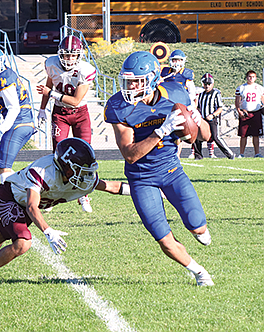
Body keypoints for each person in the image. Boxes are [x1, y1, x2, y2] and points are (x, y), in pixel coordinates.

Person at [104, 51, 214, 286]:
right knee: (163, 239)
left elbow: (205, 136)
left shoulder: (175, 92)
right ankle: (199, 272)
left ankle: (198, 230)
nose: (130, 86)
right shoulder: (118, 106)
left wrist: (197, 119)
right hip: (141, 178)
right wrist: (160, 132)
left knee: (199, 227)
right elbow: (130, 155)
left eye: (136, 81)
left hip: (171, 171)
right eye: (127, 80)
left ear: (153, 79)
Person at [0, 138, 131, 286]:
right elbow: (31, 207)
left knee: (2, 233)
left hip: (26, 203)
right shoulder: (43, 171)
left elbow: (112, 187)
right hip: (10, 197)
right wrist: (48, 231)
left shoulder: (80, 178)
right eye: (81, 168)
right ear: (65, 167)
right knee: (23, 242)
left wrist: (146, 191)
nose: (86, 173)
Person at [36, 35, 96, 213]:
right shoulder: (51, 63)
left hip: (80, 114)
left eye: (73, 55)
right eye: (66, 55)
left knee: (87, 156)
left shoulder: (86, 70)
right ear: (60, 54)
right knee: (58, 155)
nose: (69, 59)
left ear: (79, 55)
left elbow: (76, 100)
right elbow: (48, 86)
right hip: (60, 114)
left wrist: (51, 94)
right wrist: (42, 109)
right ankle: (51, 196)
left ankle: (83, 195)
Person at [0, 46, 35, 183]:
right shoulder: (4, 75)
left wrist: (1, 130)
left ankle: (16, 198)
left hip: (19, 123)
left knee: (4, 167)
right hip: (22, 122)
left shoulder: (3, 79)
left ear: (1, 61)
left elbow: (14, 108)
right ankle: (26, 185)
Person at [193, 73, 235, 160]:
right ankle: (198, 156)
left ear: (212, 84)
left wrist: (212, 115)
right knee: (197, 136)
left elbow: (220, 108)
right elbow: (198, 106)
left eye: (209, 84)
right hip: (202, 119)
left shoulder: (216, 93)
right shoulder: (201, 94)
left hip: (212, 119)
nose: (207, 86)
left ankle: (230, 154)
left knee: (216, 137)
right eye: (205, 84)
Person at [235, 70, 264, 158]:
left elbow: (262, 99)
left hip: (256, 113)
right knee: (243, 135)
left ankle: (257, 153)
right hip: (245, 113)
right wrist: (239, 110)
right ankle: (241, 153)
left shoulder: (259, 88)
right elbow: (237, 100)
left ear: (255, 78)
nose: (251, 78)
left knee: (256, 134)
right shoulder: (241, 88)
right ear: (246, 77)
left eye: (253, 77)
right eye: (249, 76)